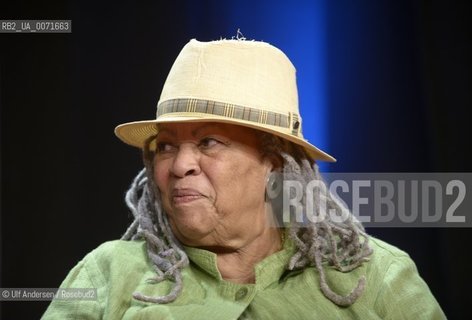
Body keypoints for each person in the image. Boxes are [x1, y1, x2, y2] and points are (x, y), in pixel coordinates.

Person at [42, 38, 445, 319]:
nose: (180, 165)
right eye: (165, 146)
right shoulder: (108, 274)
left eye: (209, 142)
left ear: (275, 161)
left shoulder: (375, 276)